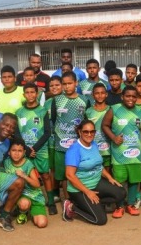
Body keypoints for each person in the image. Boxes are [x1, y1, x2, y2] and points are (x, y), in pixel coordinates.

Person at [62, 120, 125, 225]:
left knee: (121, 192)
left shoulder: (94, 144)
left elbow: (98, 165)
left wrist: (110, 178)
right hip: (79, 189)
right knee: (100, 220)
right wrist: (88, 192)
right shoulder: (74, 150)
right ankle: (72, 207)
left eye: (92, 131)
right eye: (86, 132)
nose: (89, 134)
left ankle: (93, 205)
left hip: (96, 183)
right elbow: (69, 175)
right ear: (79, 132)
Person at [101, 86, 141, 218]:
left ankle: (130, 204)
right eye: (128, 96)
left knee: (133, 181)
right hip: (119, 154)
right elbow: (104, 125)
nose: (130, 99)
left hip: (136, 154)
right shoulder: (114, 109)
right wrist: (113, 137)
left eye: (133, 96)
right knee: (119, 180)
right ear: (122, 97)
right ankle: (119, 206)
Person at [50, 72, 90, 207]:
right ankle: (67, 201)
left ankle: (80, 199)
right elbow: (54, 120)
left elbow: (86, 122)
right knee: (63, 175)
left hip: (78, 145)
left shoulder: (84, 100)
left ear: (76, 83)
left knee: (78, 173)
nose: (67, 87)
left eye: (70, 83)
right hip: (61, 146)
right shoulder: (57, 100)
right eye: (64, 84)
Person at [15, 82, 53, 214]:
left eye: (33, 92)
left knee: (45, 175)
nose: (30, 95)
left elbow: (47, 132)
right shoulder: (19, 112)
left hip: (40, 150)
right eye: (27, 92)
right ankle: (21, 201)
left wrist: (34, 148)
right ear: (23, 94)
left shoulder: (42, 111)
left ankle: (51, 202)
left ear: (37, 94)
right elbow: (17, 133)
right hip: (24, 150)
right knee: (23, 176)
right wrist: (26, 149)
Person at [3, 138, 47, 228]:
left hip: (35, 195)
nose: (16, 153)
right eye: (13, 150)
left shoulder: (28, 164)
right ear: (9, 152)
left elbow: (37, 184)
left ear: (24, 153)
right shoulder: (6, 162)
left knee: (42, 223)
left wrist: (24, 176)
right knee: (24, 204)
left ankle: (28, 209)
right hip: (20, 195)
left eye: (20, 151)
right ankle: (22, 211)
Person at [44, 75, 63, 214]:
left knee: (61, 167)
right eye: (52, 86)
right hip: (50, 140)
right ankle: (54, 193)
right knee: (52, 168)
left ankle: (63, 192)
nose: (54, 88)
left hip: (63, 140)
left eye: (57, 85)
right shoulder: (46, 103)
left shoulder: (66, 101)